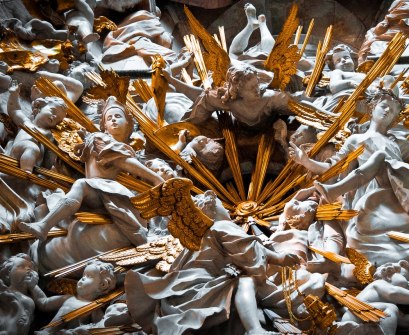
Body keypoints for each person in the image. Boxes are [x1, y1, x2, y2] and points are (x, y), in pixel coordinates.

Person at [125, 185, 301, 335]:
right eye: (222, 206)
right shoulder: (220, 225)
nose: (227, 210)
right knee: (245, 282)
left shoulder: (194, 241)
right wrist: (278, 258)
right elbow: (247, 250)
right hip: (201, 287)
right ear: (213, 210)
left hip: (179, 296)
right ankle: (255, 330)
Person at [290, 88, 409, 265]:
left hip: (398, 187)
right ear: (372, 109)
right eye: (384, 106)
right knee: (379, 159)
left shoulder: (396, 143)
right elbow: (334, 166)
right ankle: (334, 191)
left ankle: (334, 191)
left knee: (380, 159)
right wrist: (307, 162)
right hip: (372, 189)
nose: (388, 111)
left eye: (393, 111)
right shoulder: (356, 139)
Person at [18, 96, 164, 244]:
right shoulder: (98, 138)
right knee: (75, 188)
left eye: (118, 116)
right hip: (97, 190)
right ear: (105, 126)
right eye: (109, 118)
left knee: (82, 184)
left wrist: (156, 178)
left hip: (110, 191)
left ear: (128, 124)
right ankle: (45, 224)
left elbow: (124, 162)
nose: (113, 120)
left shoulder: (121, 149)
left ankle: (44, 225)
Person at [340, 260, 409, 335]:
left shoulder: (387, 305)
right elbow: (393, 292)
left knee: (391, 310)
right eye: (404, 277)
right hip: (356, 315)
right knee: (390, 308)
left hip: (364, 316)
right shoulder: (379, 284)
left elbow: (401, 319)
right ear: (389, 273)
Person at [0, 254, 70, 335]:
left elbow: (44, 303)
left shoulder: (31, 294)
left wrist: (33, 286)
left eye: (30, 267)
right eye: (22, 266)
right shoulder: (5, 292)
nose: (28, 269)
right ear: (7, 274)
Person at [40, 260, 117, 333]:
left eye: (89, 276)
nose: (83, 278)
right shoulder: (68, 298)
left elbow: (100, 327)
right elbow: (44, 304)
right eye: (83, 275)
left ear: (103, 285)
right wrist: (32, 286)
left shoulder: (93, 307)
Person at [7, 82, 67, 172]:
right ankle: (26, 172)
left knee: (32, 148)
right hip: (15, 151)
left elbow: (50, 155)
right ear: (40, 107)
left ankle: (27, 172)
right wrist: (13, 94)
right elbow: (15, 110)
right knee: (31, 147)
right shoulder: (26, 122)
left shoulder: (49, 134)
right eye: (53, 111)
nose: (54, 116)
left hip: (34, 161)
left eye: (58, 119)